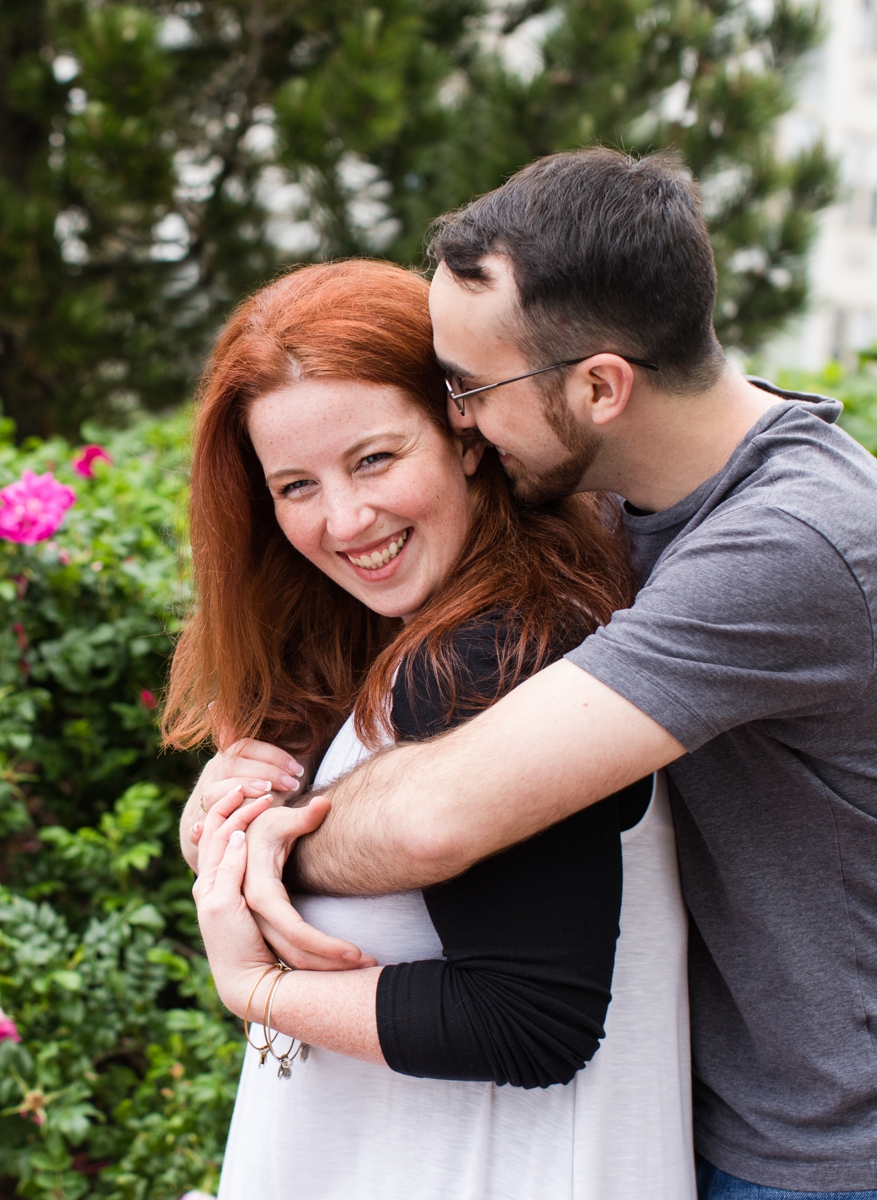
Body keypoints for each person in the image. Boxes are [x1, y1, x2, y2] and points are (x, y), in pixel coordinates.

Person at [210, 150, 877, 1197]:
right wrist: (241, 778)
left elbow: (440, 815)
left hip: (865, 1147)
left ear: (600, 386)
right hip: (738, 1114)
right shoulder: (625, 489)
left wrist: (255, 865)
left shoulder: (792, 544)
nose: (461, 423)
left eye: (469, 389)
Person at [164, 258, 695, 1198]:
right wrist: (234, 828)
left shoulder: (487, 657)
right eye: (295, 486)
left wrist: (261, 992)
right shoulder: (422, 635)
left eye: (374, 458)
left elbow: (532, 1021)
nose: (345, 518)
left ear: (466, 431)